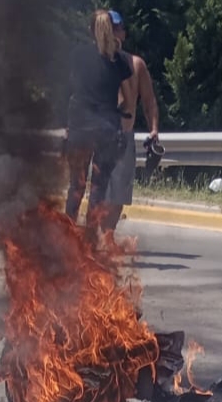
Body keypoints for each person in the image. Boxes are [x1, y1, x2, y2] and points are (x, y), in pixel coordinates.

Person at [63, 9, 134, 236]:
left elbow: (71, 90)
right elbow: (129, 100)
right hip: (106, 131)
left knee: (76, 186)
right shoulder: (119, 60)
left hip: (79, 128)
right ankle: (90, 239)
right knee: (98, 188)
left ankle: (67, 236)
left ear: (90, 30)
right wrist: (118, 112)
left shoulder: (77, 55)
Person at [103, 13, 160, 231]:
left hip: (124, 137)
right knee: (97, 195)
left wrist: (154, 130)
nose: (114, 32)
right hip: (99, 136)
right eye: (109, 28)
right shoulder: (95, 61)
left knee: (118, 197)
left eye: (117, 28)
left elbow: (149, 101)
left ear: (123, 33)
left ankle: (107, 236)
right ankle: (93, 239)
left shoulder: (136, 65)